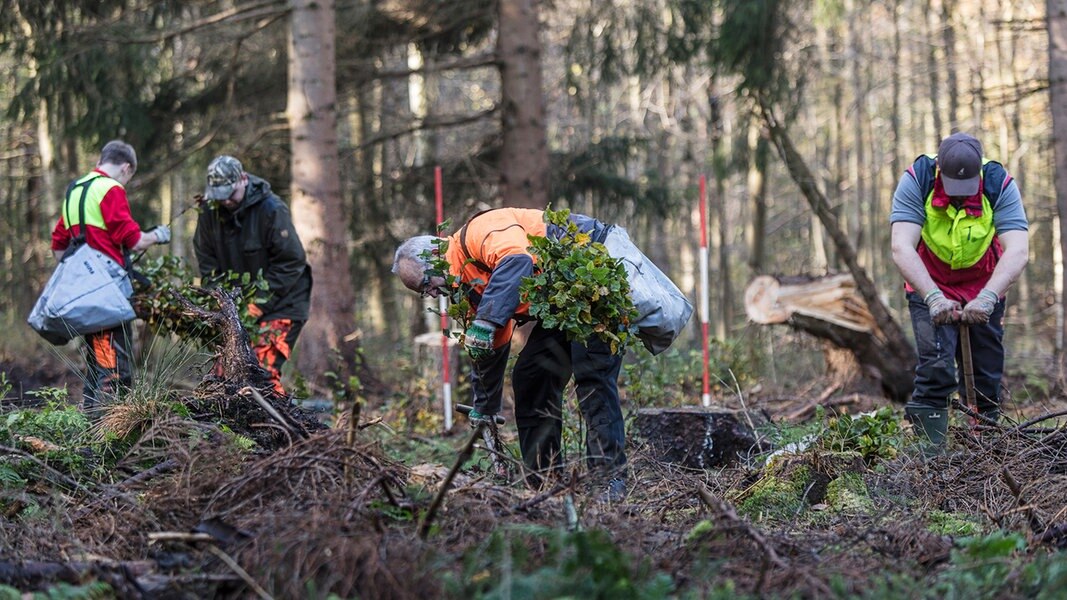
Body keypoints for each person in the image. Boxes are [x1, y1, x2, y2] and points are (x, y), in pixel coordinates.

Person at [392, 208, 627, 500]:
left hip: (595, 274)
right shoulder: (466, 285)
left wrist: (486, 321)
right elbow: (491, 346)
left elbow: (518, 261)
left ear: (436, 260)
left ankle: (609, 481)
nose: (430, 295)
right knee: (531, 376)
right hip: (565, 301)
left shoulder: (479, 232)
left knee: (592, 375)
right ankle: (544, 481)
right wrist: (485, 406)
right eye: (422, 293)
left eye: (426, 285)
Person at [890, 132, 1029, 451]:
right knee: (935, 368)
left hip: (985, 281)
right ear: (940, 169)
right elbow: (901, 246)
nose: (958, 195)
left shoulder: (998, 183)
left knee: (987, 372)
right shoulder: (918, 180)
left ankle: (988, 446)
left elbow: (1018, 250)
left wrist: (989, 297)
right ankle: (929, 453)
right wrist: (933, 296)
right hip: (929, 280)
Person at [50, 140, 171, 409]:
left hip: (83, 295)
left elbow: (58, 243)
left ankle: (91, 431)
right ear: (126, 168)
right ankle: (109, 438)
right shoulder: (110, 188)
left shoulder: (75, 190)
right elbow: (133, 240)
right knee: (115, 370)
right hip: (105, 298)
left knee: (96, 363)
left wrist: (78, 271)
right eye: (129, 177)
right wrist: (158, 235)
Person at [193, 155, 312, 395]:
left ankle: (278, 428)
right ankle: (224, 431)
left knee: (259, 371)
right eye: (219, 195)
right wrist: (224, 304)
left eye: (230, 193)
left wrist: (258, 303)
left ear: (243, 180)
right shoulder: (209, 211)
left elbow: (292, 262)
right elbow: (208, 265)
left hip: (283, 302)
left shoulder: (271, 210)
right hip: (239, 306)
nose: (225, 200)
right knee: (224, 373)